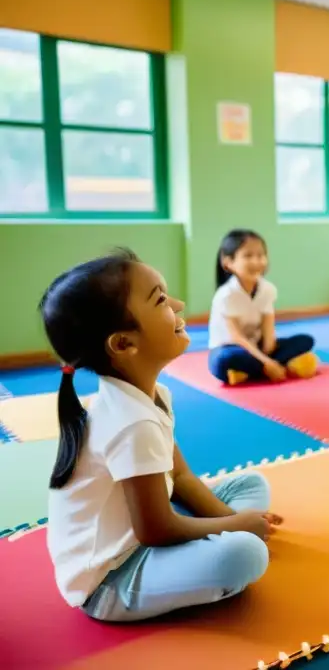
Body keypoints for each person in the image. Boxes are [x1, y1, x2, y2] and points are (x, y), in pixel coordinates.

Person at [39, 248, 282, 622]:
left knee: (252, 483)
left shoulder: (151, 398)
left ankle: (220, 538)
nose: (180, 304)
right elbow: (157, 528)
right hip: (111, 578)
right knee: (245, 555)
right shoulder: (131, 423)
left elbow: (181, 478)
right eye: (162, 300)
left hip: (145, 528)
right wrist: (235, 527)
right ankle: (221, 547)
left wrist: (236, 518)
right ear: (123, 344)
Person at [207, 229, 317, 385]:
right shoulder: (226, 295)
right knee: (223, 360)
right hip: (232, 347)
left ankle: (247, 372)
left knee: (306, 340)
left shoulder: (267, 289)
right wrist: (267, 363)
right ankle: (276, 367)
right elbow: (237, 338)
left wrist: (268, 351)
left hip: (257, 347)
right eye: (248, 256)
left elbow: (268, 330)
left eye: (260, 255)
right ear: (228, 262)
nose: (257, 262)